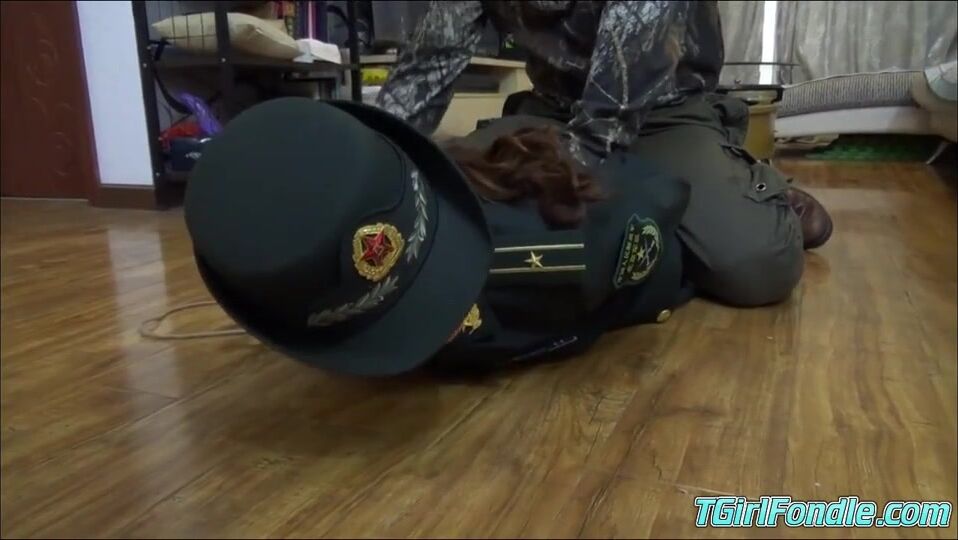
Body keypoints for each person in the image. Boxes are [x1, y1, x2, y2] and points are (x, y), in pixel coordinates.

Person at [375, 0, 834, 308]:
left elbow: (610, 113)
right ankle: (671, 211)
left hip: (664, 112)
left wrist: (548, 188)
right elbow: (425, 69)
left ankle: (749, 194)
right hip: (554, 112)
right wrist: (370, 164)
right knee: (447, 198)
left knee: (757, 267)